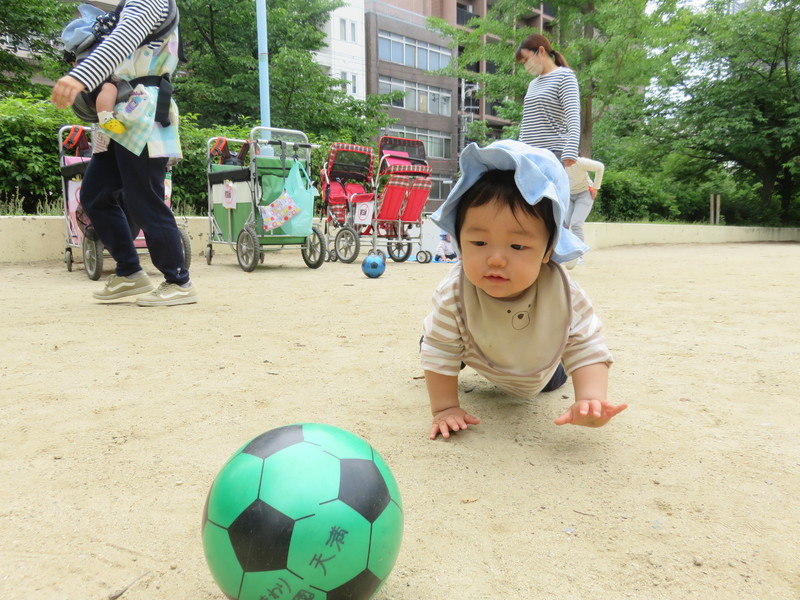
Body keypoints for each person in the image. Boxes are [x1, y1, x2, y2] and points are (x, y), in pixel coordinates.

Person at [420, 140, 627, 440]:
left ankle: (548, 375)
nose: (495, 259)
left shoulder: (563, 293)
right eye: (479, 243)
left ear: (548, 250)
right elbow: (440, 350)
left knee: (554, 380)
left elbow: (586, 345)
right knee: (435, 340)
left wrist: (590, 399)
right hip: (475, 348)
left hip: (539, 371)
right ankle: (436, 344)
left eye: (517, 246)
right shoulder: (455, 291)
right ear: (458, 240)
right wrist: (444, 408)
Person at [51, 0, 197, 306]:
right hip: (122, 115)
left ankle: (178, 281)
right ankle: (130, 272)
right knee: (95, 194)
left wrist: (81, 76)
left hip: (144, 110)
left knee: (144, 200)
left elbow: (123, 39)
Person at [515, 33, 580, 168]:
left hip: (552, 153)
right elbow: (527, 121)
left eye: (526, 59)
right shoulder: (532, 84)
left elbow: (573, 116)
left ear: (541, 51)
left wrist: (571, 147)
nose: (526, 65)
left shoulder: (565, 77)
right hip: (527, 154)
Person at [565, 156, 604, 251]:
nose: (567, 162)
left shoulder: (581, 162)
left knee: (576, 223)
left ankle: (578, 254)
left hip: (584, 193)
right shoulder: (558, 163)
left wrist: (595, 187)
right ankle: (564, 253)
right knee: (564, 223)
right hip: (569, 194)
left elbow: (600, 167)